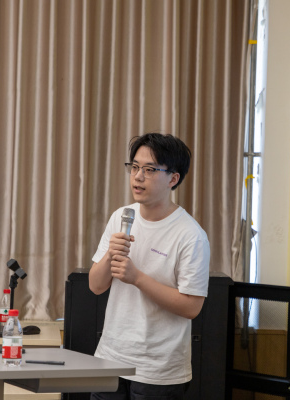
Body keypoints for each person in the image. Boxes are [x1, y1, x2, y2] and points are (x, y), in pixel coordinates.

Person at [88, 133, 210, 399]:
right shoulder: (121, 217)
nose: (138, 176)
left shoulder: (190, 235)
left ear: (173, 179)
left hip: (158, 370)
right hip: (110, 357)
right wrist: (110, 255)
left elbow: (191, 307)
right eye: (134, 167)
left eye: (150, 169)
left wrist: (137, 278)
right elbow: (96, 286)